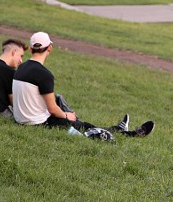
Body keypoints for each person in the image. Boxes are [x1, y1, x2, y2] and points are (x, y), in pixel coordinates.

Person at [12, 32, 154, 141]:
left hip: (22, 119)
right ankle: (128, 134)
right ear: (50, 48)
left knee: (65, 107)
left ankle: (120, 130)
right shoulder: (44, 74)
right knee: (84, 127)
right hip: (38, 123)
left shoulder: (21, 68)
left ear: (30, 49)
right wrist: (67, 115)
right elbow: (53, 110)